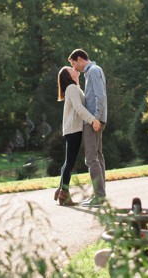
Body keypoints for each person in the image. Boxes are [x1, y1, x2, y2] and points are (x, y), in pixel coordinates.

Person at [69, 48, 107, 206]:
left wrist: (95, 119)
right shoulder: (91, 72)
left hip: (94, 121)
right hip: (95, 120)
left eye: (73, 64)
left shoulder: (93, 71)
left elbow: (100, 96)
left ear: (79, 59)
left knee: (91, 158)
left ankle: (98, 196)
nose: (73, 68)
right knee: (98, 157)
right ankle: (101, 195)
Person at [55, 65, 96, 206]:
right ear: (68, 75)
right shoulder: (71, 88)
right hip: (73, 130)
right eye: (70, 69)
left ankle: (61, 189)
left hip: (73, 129)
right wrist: (93, 120)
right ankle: (64, 194)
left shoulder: (74, 88)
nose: (74, 68)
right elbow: (79, 108)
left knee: (68, 162)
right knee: (70, 163)